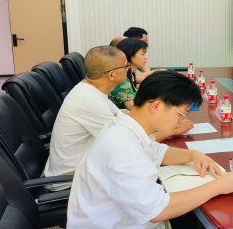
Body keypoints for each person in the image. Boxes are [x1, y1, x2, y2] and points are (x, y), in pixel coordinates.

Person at [67, 71, 233, 229]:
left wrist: (194, 155)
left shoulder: (126, 127)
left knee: (185, 223)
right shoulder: (122, 148)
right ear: (156, 106)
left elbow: (157, 152)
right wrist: (217, 186)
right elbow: (157, 210)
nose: (182, 121)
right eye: (181, 114)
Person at [44, 46, 192, 189]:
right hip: (71, 181)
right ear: (112, 75)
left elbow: (126, 122)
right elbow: (128, 142)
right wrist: (170, 131)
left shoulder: (92, 91)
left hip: (88, 169)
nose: (129, 69)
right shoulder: (90, 101)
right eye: (126, 66)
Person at [109, 38, 149, 110]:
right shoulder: (122, 79)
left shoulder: (129, 74)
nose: (146, 57)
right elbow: (133, 108)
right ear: (130, 55)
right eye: (143, 54)